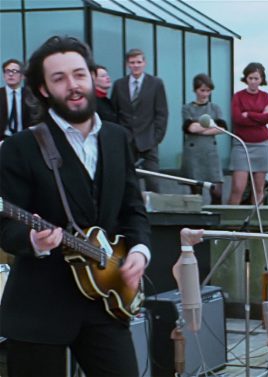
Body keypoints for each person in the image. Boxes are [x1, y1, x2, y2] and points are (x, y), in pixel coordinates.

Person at [0, 35, 151, 376]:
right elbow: (5, 226)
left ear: (91, 76)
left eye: (79, 74)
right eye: (59, 78)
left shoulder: (117, 138)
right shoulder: (20, 147)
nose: (73, 85)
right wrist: (32, 241)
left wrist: (140, 252)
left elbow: (133, 209)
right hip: (39, 308)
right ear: (42, 90)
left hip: (106, 301)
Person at [111, 48, 168, 192]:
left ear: (144, 63)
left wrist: (156, 137)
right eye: (132, 62)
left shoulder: (156, 83)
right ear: (127, 64)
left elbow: (161, 112)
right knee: (128, 183)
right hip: (126, 140)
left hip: (148, 141)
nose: (135, 65)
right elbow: (115, 112)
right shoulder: (119, 85)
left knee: (153, 183)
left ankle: (155, 213)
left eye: (138, 62)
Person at [228, 62, 268, 205]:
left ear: (261, 79)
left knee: (258, 188)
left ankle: (256, 222)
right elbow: (237, 119)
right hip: (242, 145)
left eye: (256, 78)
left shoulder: (265, 96)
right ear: (246, 79)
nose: (253, 81)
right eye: (250, 78)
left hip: (262, 145)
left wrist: (248, 114)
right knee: (238, 188)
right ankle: (230, 222)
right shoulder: (238, 96)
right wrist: (260, 116)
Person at [181, 73, 226, 204]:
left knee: (217, 192)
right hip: (193, 154)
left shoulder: (215, 108)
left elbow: (222, 128)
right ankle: (196, 223)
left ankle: (216, 223)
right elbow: (189, 128)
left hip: (211, 154)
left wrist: (199, 128)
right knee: (196, 194)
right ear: (195, 90)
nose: (205, 94)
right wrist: (210, 126)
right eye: (202, 90)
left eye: (208, 90)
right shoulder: (187, 108)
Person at [0, 59, 33, 141]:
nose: (11, 74)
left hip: (24, 139)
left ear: (22, 76)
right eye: (7, 71)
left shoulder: (30, 95)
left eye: (14, 71)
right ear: (4, 75)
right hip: (2, 139)